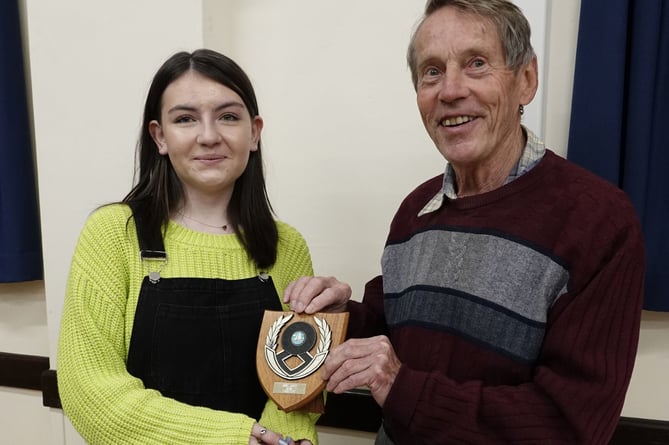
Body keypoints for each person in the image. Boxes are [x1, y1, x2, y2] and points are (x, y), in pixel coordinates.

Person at [283, 1, 646, 444]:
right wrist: (339, 318)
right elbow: (391, 331)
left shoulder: (599, 221)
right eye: (431, 71)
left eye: (476, 64)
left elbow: (569, 425)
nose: (450, 90)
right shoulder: (415, 211)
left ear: (526, 80)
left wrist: (402, 389)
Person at [58, 49, 316, 445]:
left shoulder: (287, 247)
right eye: (185, 119)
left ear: (255, 132)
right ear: (160, 136)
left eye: (228, 116)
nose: (209, 135)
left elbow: (296, 389)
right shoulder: (113, 234)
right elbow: (92, 394)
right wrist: (238, 438)